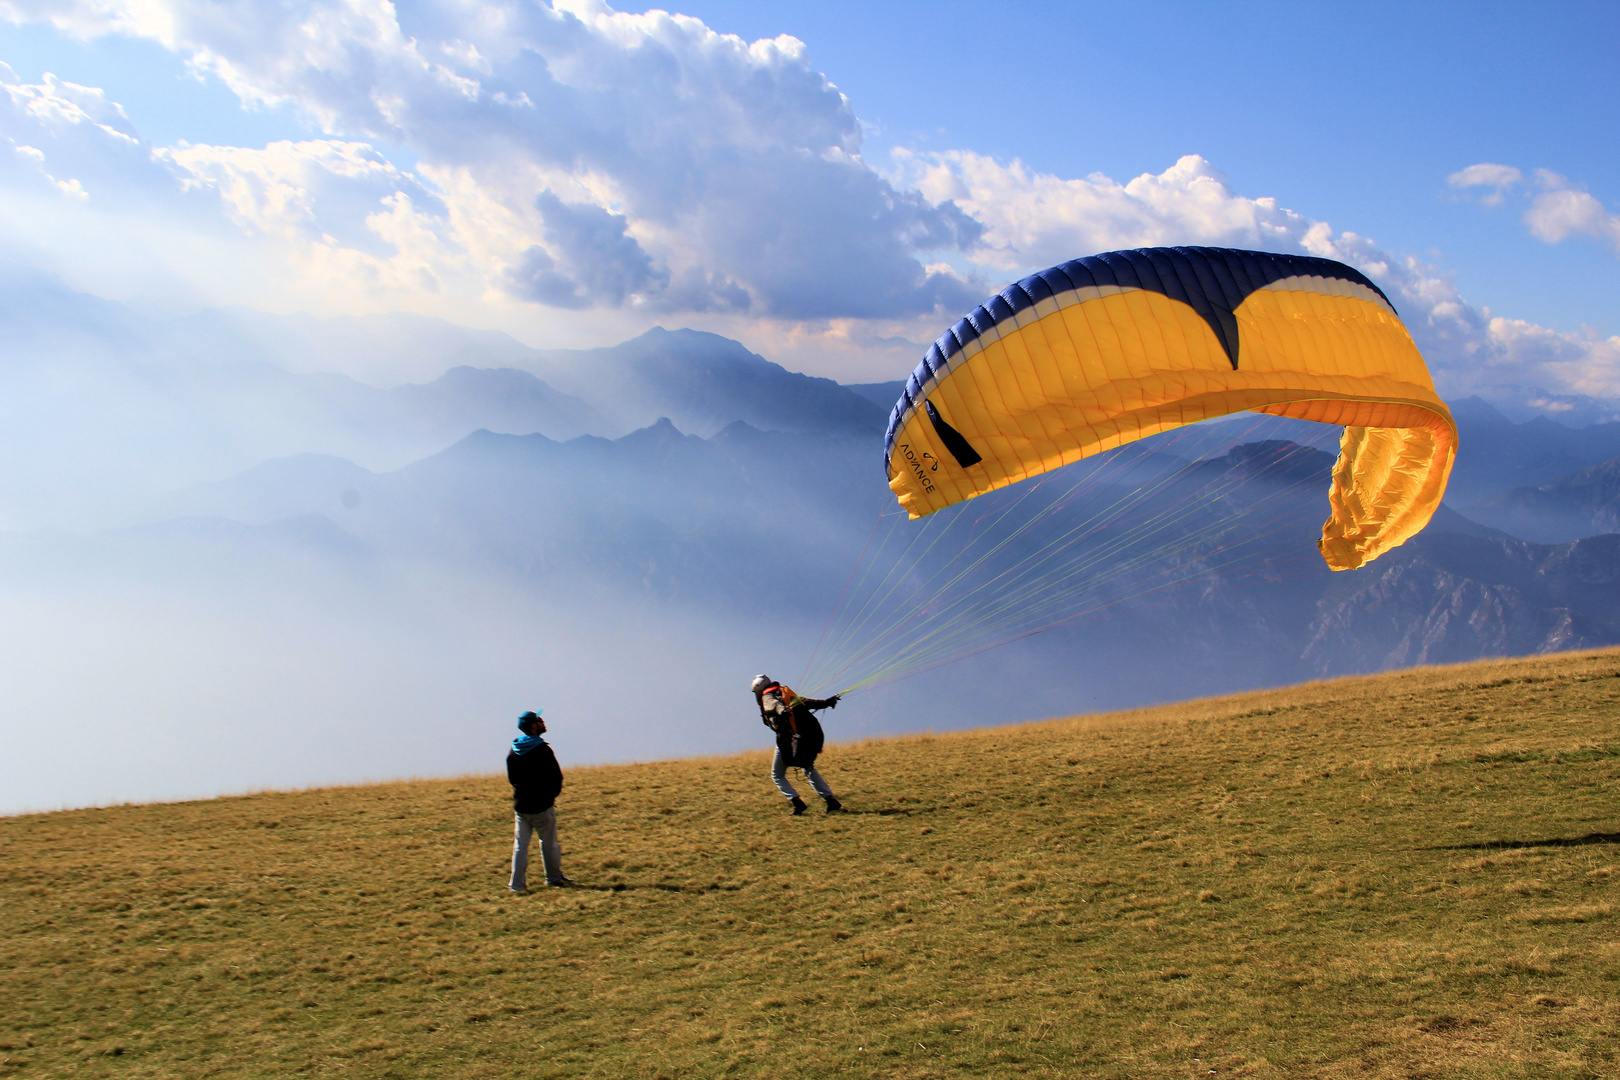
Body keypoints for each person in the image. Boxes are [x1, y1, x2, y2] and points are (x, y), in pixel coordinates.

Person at [751, 674, 843, 814]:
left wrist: (782, 712)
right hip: (801, 738)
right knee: (808, 768)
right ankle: (831, 801)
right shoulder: (784, 693)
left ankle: (797, 803)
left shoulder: (767, 697)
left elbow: (774, 706)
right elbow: (805, 702)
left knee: (777, 775)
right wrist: (826, 702)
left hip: (787, 741)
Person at [507, 709, 573, 891]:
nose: (543, 722)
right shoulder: (542, 750)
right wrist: (550, 796)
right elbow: (556, 777)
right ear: (533, 727)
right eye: (539, 720)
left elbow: (512, 779)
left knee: (520, 847)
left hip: (521, 806)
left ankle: (517, 885)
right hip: (542, 806)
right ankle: (553, 877)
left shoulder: (513, 751)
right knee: (549, 844)